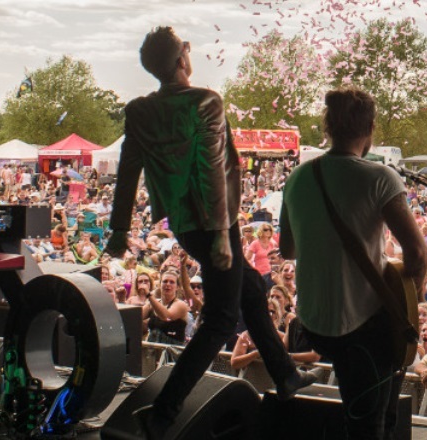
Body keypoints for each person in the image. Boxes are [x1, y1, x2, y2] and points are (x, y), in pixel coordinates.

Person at [105, 26, 312, 439]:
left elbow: (128, 172)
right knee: (219, 319)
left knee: (251, 289)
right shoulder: (205, 101)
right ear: (182, 59)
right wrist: (221, 234)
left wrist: (118, 229)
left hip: (184, 226)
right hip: (215, 223)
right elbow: (213, 171)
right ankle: (162, 412)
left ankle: (285, 374)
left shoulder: (140, 111)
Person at [279, 87, 427, 440]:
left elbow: (287, 250)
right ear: (370, 128)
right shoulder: (379, 177)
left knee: (376, 414)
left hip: (314, 321)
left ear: (327, 127)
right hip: (361, 327)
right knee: (368, 425)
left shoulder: (297, 177)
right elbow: (418, 253)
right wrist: (410, 302)